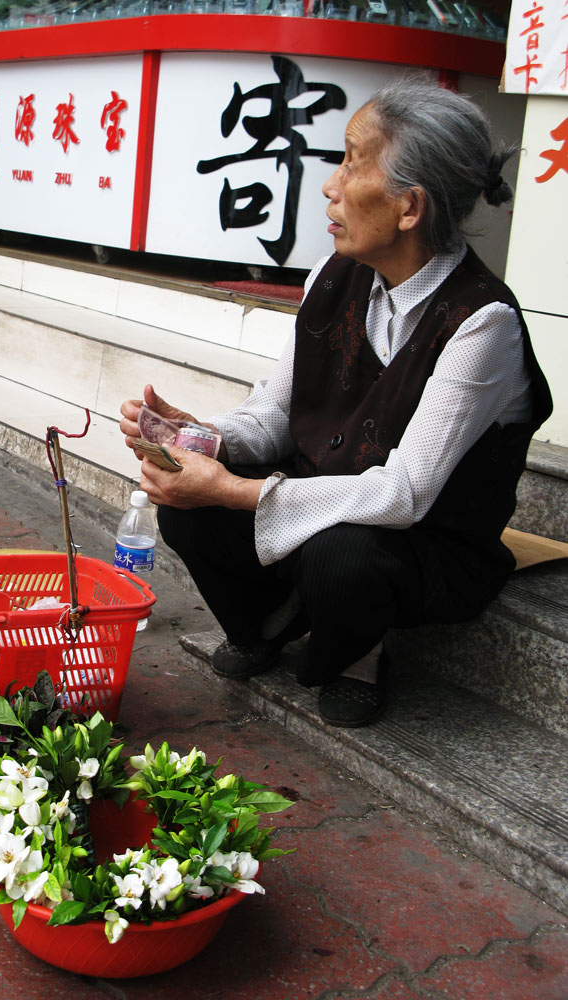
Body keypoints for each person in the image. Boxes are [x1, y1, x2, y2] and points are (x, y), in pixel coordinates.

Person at [119, 77, 552, 728]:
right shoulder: (335, 276)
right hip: (324, 497)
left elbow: (404, 495)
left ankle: (357, 657)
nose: (331, 184)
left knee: (343, 557)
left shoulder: (481, 322)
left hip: (424, 544)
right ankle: (266, 626)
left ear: (409, 207)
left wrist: (233, 490)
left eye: (352, 161)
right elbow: (276, 410)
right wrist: (204, 440)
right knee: (185, 506)